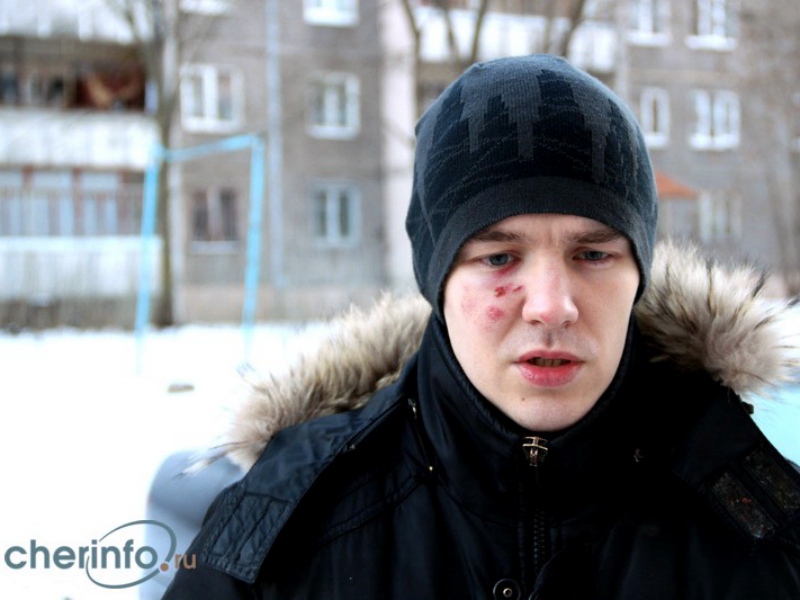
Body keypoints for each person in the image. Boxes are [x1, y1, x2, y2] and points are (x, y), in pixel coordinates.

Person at [162, 54, 800, 599]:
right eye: (498, 257)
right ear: (436, 281)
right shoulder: (284, 527)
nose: (551, 306)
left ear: (640, 273)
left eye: (592, 254)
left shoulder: (763, 528)